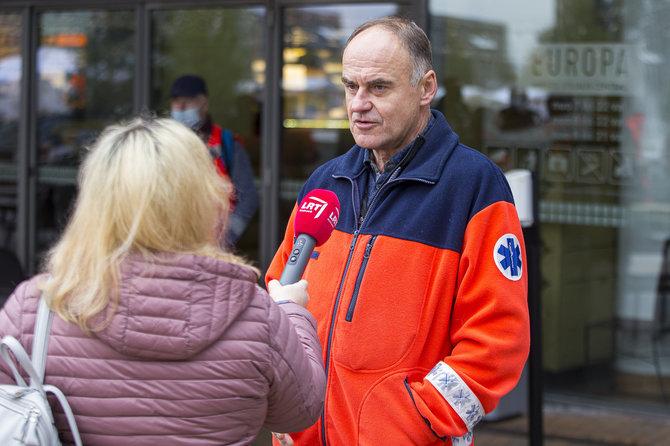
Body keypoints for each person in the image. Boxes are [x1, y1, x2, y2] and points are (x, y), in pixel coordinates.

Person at [266, 16, 530, 446]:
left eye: (378, 87)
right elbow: (278, 294)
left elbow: (498, 340)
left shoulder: (474, 186)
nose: (358, 103)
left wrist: (415, 422)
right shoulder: (323, 182)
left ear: (426, 88)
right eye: (350, 86)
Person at [0, 116, 326, 445]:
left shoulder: (34, 309)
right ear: (204, 199)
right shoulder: (259, 319)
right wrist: (292, 312)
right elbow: (301, 411)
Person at [170, 74, 259, 246]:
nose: (180, 108)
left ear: (204, 102)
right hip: (172, 244)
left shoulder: (227, 143)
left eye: (186, 102)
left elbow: (248, 197)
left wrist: (227, 238)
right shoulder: (163, 142)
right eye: (176, 102)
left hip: (215, 245)